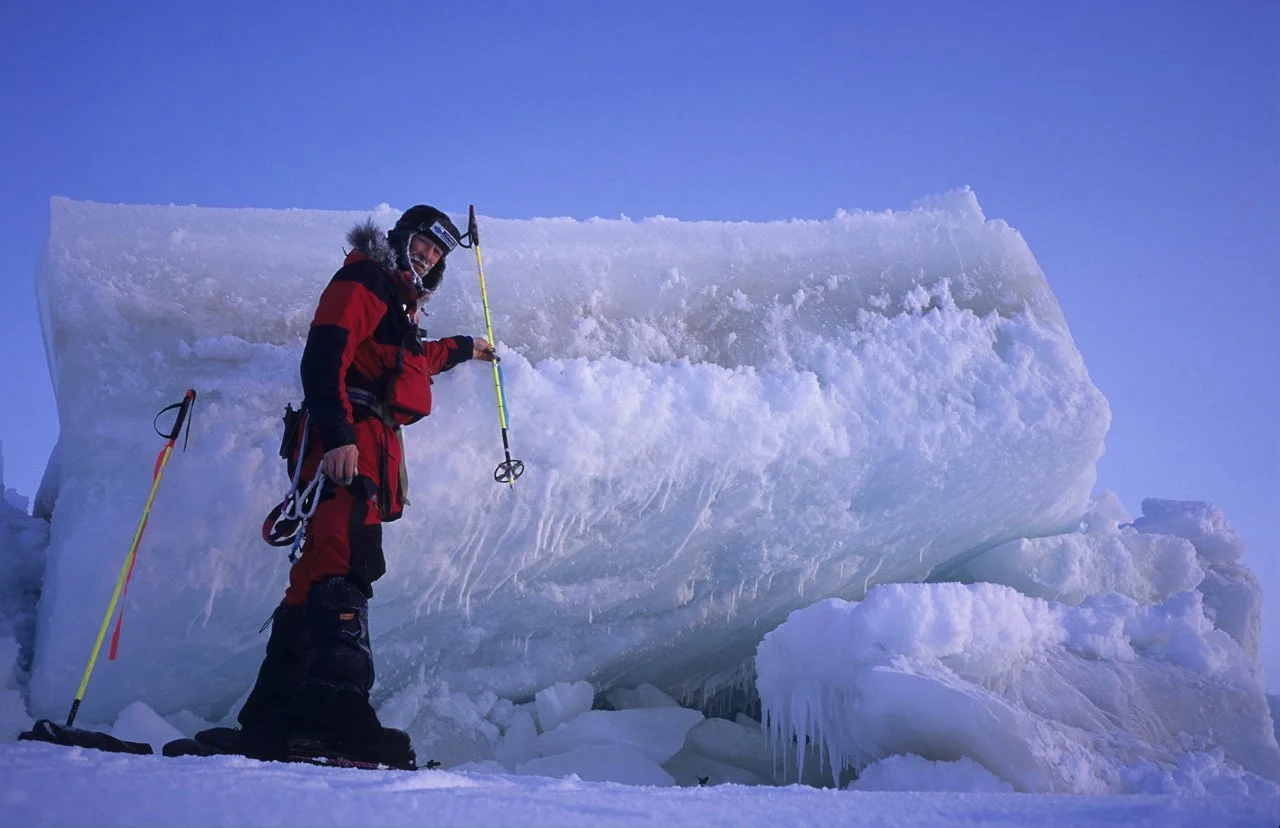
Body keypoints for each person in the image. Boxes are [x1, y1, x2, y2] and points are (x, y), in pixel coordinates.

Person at [194, 206, 494, 768]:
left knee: (313, 578)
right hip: (346, 443)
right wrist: (336, 437)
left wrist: (465, 347)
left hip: (359, 446)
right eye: (423, 245)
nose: (427, 258)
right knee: (345, 561)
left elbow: (413, 359)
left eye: (437, 255)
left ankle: (272, 720)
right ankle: (334, 719)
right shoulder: (364, 280)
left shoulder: (395, 307)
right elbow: (324, 355)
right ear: (403, 239)